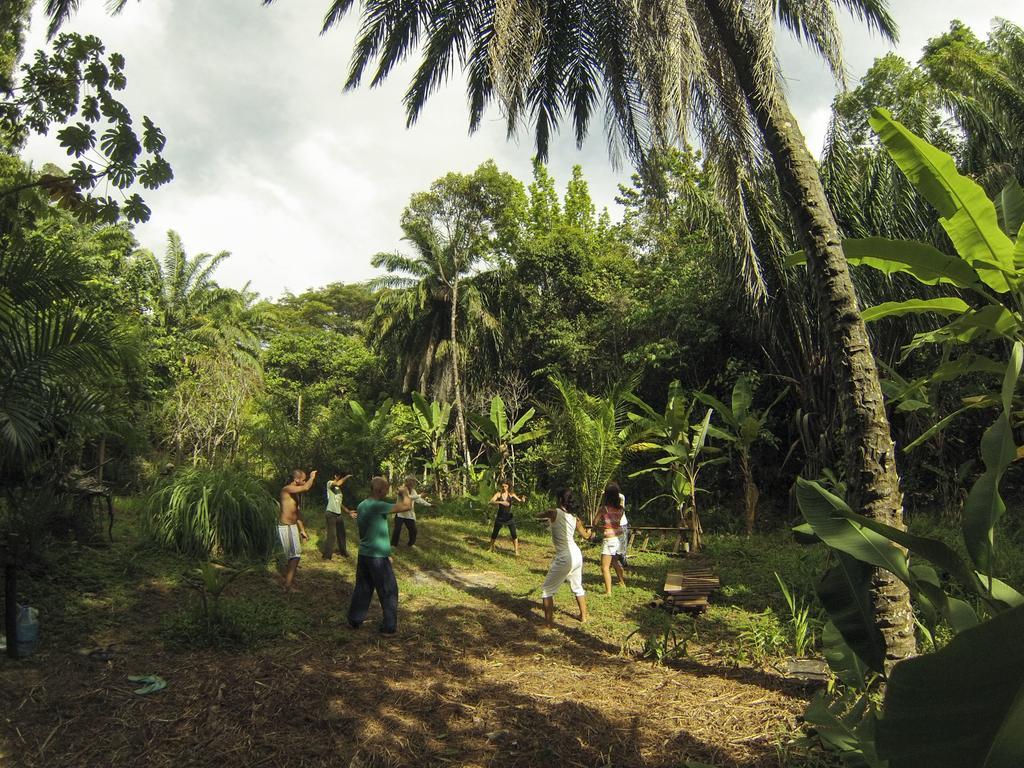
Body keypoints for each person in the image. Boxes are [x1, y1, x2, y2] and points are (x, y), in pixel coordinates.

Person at [346, 476, 412, 635]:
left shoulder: (362, 505)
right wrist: (404, 492)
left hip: (365, 553)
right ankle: (389, 627)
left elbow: (373, 531)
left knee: (363, 588)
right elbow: (406, 506)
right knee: (389, 590)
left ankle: (354, 619)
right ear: (379, 490)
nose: (387, 491)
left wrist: (387, 553)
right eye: (386, 488)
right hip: (377, 557)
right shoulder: (377, 506)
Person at [537, 488, 593, 625]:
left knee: (547, 590)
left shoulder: (554, 512)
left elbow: (539, 514)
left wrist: (542, 517)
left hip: (565, 556)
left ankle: (548, 624)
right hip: (576, 555)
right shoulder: (575, 518)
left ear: (561, 500)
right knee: (577, 586)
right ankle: (583, 617)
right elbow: (586, 536)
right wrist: (591, 531)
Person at [279, 468, 317, 591]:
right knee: (295, 556)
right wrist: (312, 477)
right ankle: (287, 586)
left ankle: (288, 582)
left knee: (293, 556)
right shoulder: (287, 489)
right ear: (296, 479)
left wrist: (302, 530)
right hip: (286, 527)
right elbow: (306, 487)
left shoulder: (295, 494)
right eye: (303, 479)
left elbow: (297, 513)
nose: (304, 481)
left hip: (293, 527)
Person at [592, 483, 627, 595]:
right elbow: (615, 522)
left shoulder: (604, 509)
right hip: (619, 537)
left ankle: (608, 592)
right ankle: (622, 582)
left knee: (605, 567)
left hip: (609, 539)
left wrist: (597, 528)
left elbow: (595, 522)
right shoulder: (621, 508)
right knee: (615, 561)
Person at [391, 476, 432, 547]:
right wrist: (419, 495)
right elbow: (407, 497)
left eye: (413, 482)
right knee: (397, 529)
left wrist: (429, 505)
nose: (412, 483)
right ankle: (393, 545)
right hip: (400, 513)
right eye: (411, 481)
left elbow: (418, 500)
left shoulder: (413, 491)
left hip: (409, 514)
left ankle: (411, 544)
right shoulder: (401, 489)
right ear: (406, 482)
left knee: (413, 530)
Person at [488, 481, 525, 555]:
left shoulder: (511, 494)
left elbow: (520, 501)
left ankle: (516, 551)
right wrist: (501, 502)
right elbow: (491, 501)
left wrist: (523, 500)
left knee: (514, 534)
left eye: (505, 486)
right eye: (502, 486)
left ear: (508, 487)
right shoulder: (499, 494)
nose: (504, 488)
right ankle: (491, 547)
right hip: (500, 517)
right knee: (495, 533)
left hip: (509, 518)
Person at [323, 473, 353, 559]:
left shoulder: (339, 490)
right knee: (332, 535)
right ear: (336, 476)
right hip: (330, 513)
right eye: (339, 477)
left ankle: (343, 552)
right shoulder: (330, 483)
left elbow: (339, 503)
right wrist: (346, 477)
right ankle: (327, 556)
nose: (340, 478)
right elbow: (338, 483)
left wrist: (348, 511)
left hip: (338, 514)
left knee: (341, 534)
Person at [617, 490, 630, 568]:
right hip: (613, 524)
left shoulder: (621, 496)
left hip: (622, 523)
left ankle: (623, 559)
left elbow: (621, 508)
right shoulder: (608, 498)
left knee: (623, 543)